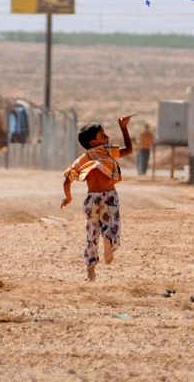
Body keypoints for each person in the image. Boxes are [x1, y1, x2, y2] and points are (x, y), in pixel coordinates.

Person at [61, 116, 134, 282]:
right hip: (109, 196)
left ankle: (91, 273)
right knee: (113, 228)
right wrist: (124, 128)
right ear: (94, 142)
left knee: (91, 235)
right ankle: (109, 242)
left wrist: (68, 198)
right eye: (103, 135)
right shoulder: (107, 151)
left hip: (91, 199)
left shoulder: (82, 159)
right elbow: (128, 150)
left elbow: (67, 179)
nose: (107, 137)